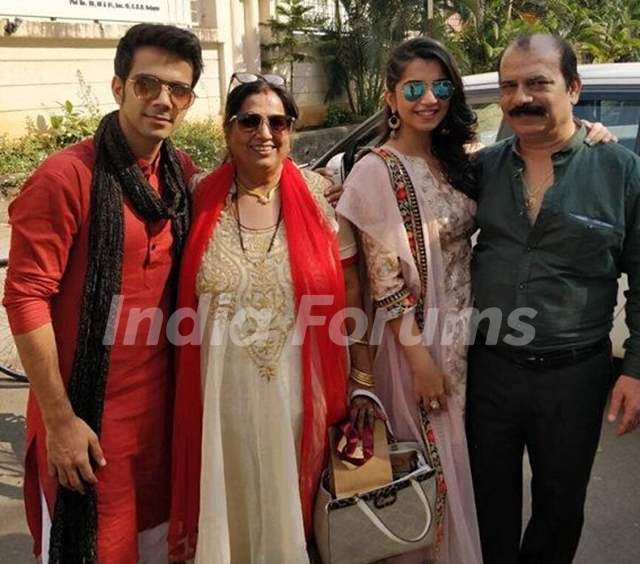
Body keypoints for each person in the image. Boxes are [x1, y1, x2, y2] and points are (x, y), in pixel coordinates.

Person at [4, 24, 202, 563]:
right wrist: (60, 421)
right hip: (89, 422)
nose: (162, 100)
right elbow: (25, 298)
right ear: (118, 87)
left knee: (160, 548)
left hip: (163, 419)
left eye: (178, 90)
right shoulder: (66, 177)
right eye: (147, 84)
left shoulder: (180, 176)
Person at [168, 74, 377, 563]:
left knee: (293, 504)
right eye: (250, 120)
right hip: (219, 392)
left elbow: (350, 293)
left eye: (277, 121)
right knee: (228, 496)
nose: (264, 132)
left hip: (298, 388)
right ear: (228, 129)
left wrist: (362, 377)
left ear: (291, 131)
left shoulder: (323, 201)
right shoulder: (197, 197)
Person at [466, 33, 640, 564]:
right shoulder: (480, 170)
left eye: (538, 82)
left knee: (560, 508)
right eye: (510, 86)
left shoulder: (620, 171)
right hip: (489, 369)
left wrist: (635, 367)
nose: (522, 97)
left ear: (573, 87)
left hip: (575, 376)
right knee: (484, 504)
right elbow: (411, 197)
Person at [338, 37, 483, 564]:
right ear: (390, 97)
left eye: (440, 86)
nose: (429, 98)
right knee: (430, 475)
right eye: (414, 88)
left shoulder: (454, 160)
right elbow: (385, 282)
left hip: (467, 338)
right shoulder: (378, 169)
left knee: (460, 466)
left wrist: (587, 128)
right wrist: (420, 362)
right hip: (418, 348)